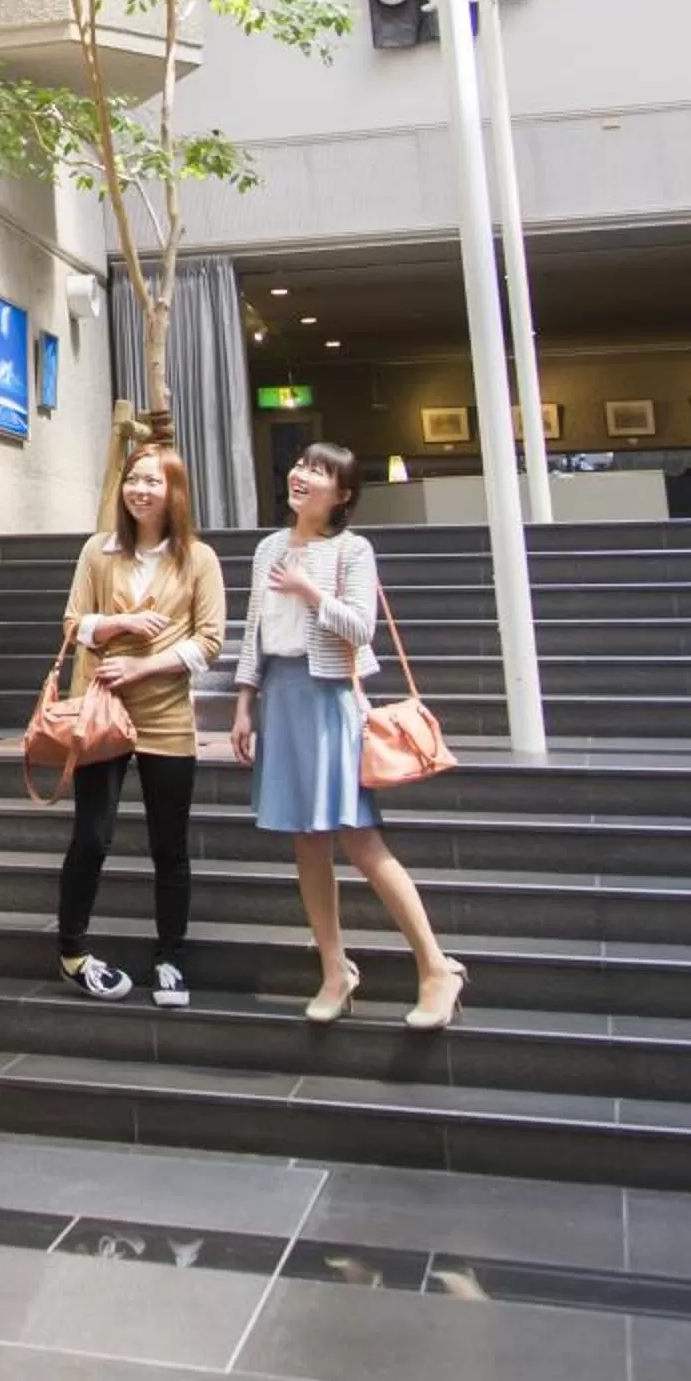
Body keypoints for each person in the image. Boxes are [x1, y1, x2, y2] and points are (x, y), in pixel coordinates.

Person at [230, 442, 467, 1031]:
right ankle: (335, 970)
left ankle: (437, 967)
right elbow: (253, 632)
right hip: (280, 700)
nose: (302, 475)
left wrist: (311, 592)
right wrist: (243, 704)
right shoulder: (267, 548)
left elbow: (362, 627)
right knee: (306, 843)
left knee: (360, 841)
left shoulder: (352, 549)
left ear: (342, 496)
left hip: (330, 698)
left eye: (319, 471)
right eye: (301, 465)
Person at [56, 445, 226, 1008]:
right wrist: (121, 623)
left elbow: (210, 643)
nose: (140, 490)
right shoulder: (98, 552)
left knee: (169, 846)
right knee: (92, 836)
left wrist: (145, 663)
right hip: (101, 710)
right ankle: (72, 951)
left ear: (174, 491)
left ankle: (171, 957)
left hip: (167, 717)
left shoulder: (198, 558)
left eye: (153, 481)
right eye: (133, 479)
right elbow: (73, 623)